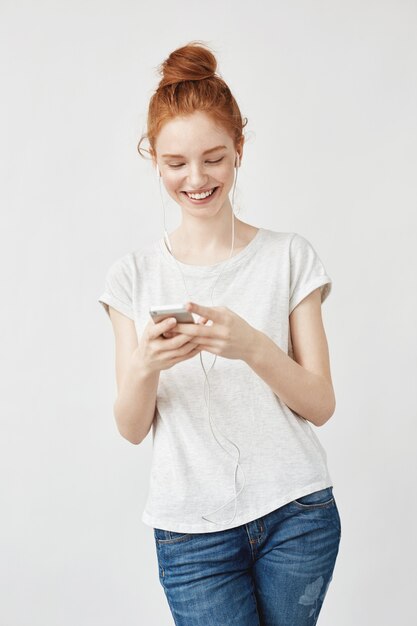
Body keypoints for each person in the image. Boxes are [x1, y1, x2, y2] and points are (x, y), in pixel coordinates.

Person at [98, 40, 341, 626]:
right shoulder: (132, 275)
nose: (197, 178)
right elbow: (132, 428)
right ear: (153, 159)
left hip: (297, 514)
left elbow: (321, 404)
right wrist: (147, 366)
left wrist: (253, 346)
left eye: (214, 158)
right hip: (190, 534)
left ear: (239, 151)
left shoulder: (289, 257)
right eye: (176, 163)